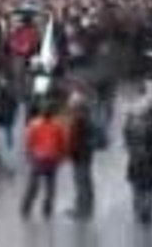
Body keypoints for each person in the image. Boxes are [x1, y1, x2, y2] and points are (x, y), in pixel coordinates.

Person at [20, 103, 68, 220]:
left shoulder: (34, 125)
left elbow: (29, 142)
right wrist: (61, 157)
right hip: (51, 159)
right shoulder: (57, 126)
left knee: (33, 185)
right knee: (50, 186)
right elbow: (62, 143)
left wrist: (29, 155)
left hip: (38, 159)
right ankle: (47, 208)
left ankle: (26, 207)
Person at [123, 98, 152, 226]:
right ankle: (147, 211)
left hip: (135, 158)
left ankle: (139, 209)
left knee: (137, 186)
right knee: (150, 187)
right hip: (150, 159)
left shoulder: (132, 124)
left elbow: (126, 138)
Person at [65, 92, 96, 220]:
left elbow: (75, 139)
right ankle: (86, 207)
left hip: (80, 155)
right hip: (84, 154)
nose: (70, 107)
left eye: (71, 105)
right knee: (85, 181)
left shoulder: (79, 119)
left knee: (81, 182)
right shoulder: (85, 117)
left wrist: (70, 152)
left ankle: (82, 210)